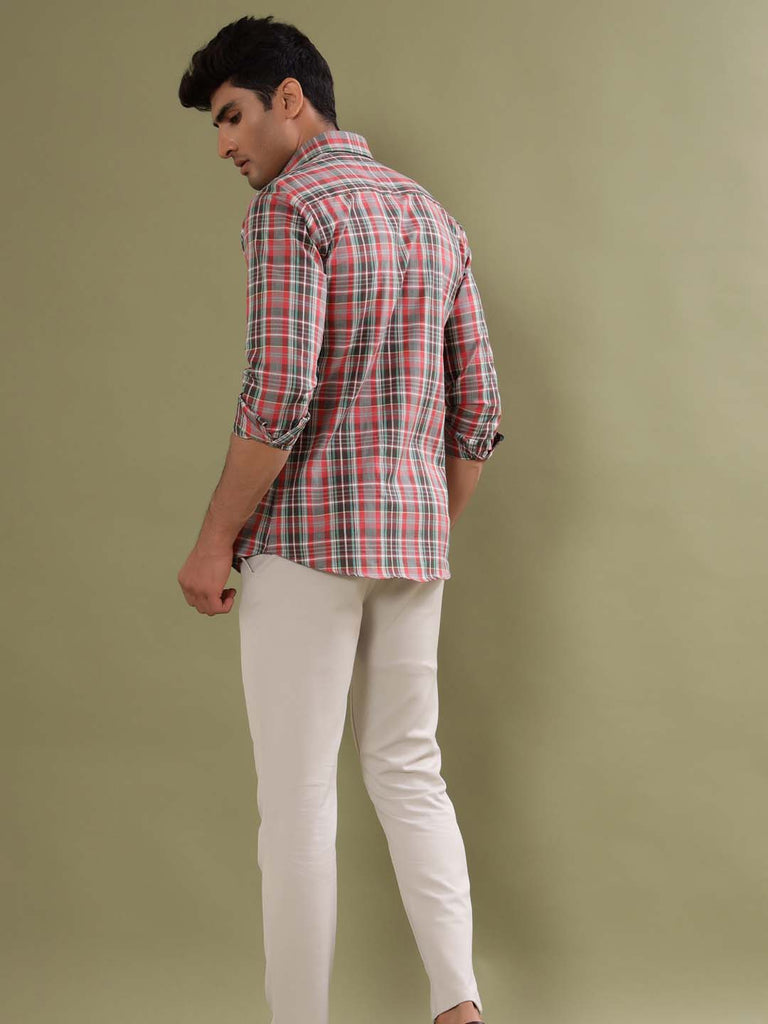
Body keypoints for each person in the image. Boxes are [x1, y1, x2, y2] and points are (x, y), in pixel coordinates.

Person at [176, 15, 504, 1024]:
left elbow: (278, 394)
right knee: (410, 772)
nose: (224, 145)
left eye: (231, 116)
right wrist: (424, 523)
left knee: (298, 801)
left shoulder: (291, 208)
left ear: (290, 98)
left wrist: (213, 541)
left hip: (306, 541)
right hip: (412, 547)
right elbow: (480, 409)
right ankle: (459, 1004)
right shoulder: (432, 215)